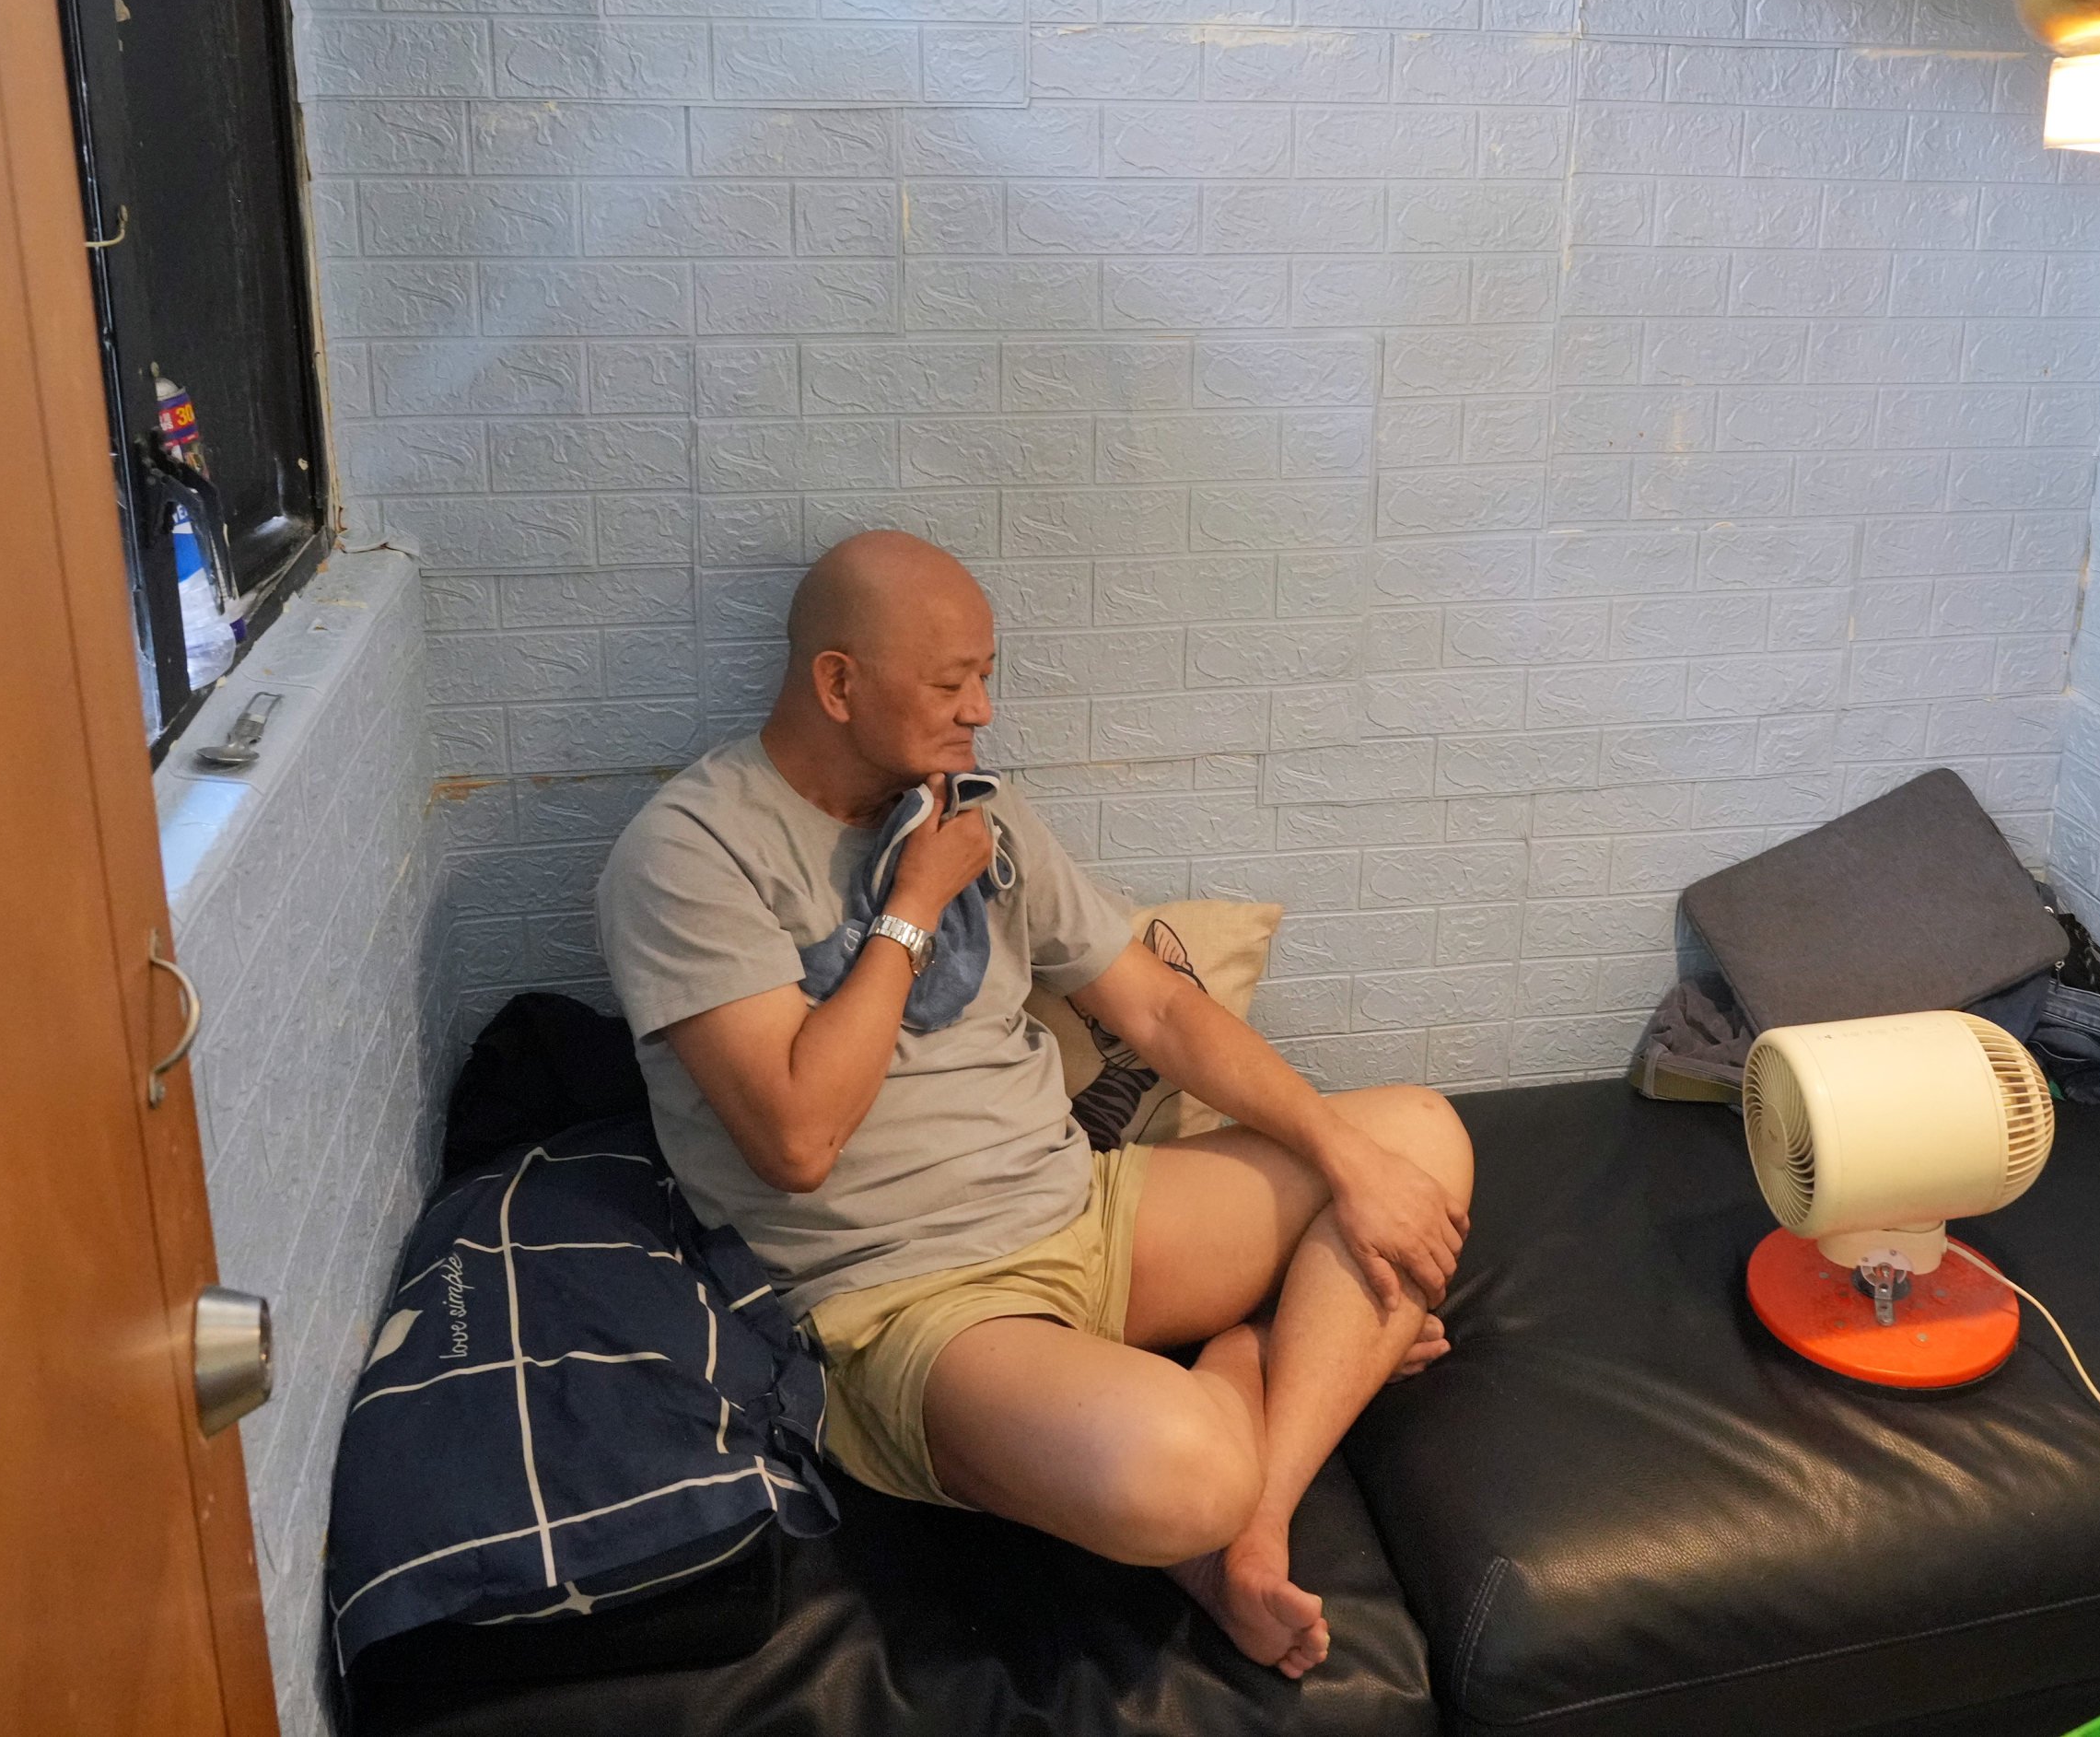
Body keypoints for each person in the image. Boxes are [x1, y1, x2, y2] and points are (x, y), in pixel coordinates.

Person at [595, 529, 1476, 1677]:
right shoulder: (691, 853)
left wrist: (1343, 1157)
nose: (984, 710)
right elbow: (797, 1139)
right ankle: (1252, 1359)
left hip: (1083, 1211)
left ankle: (1253, 1536)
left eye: (986, 675)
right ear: (838, 683)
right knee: (1186, 1475)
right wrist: (913, 907)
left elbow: (1157, 1010)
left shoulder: (974, 813)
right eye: (951, 683)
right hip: (907, 1301)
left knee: (1414, 1139)